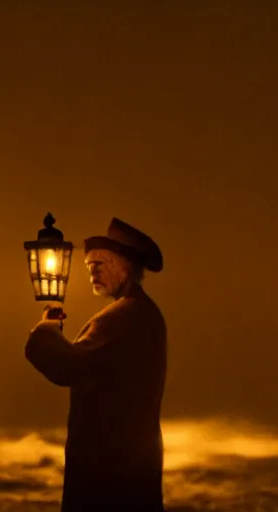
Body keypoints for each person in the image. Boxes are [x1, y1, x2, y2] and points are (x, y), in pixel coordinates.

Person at [25, 217, 167, 511]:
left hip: (110, 464)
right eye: (90, 268)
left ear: (124, 264)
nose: (93, 274)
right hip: (131, 458)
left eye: (100, 265)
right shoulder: (140, 313)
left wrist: (45, 330)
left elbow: (69, 367)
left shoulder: (123, 316)